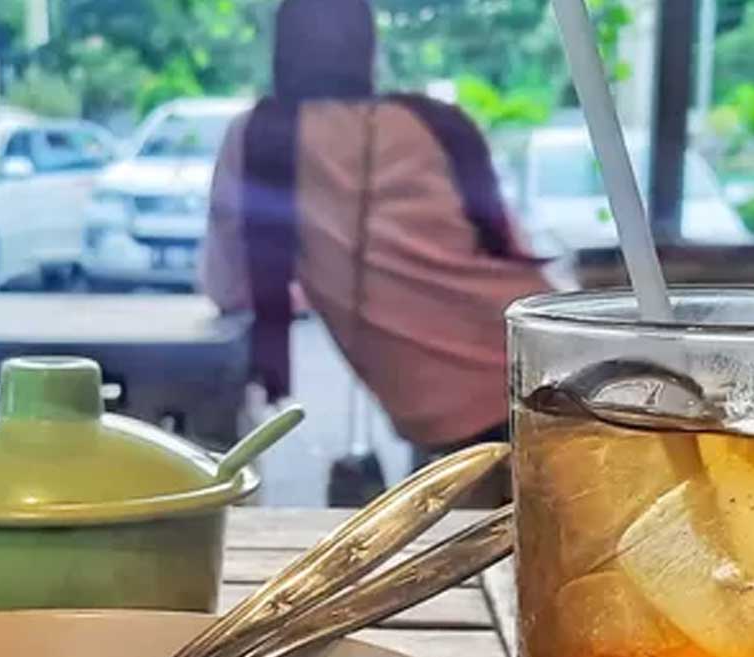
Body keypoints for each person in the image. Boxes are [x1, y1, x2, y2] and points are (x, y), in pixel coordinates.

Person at [199, 0, 562, 492]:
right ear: (368, 48)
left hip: (472, 417)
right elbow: (505, 244)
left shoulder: (264, 138)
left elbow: (227, 287)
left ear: (281, 50)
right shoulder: (433, 122)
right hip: (547, 358)